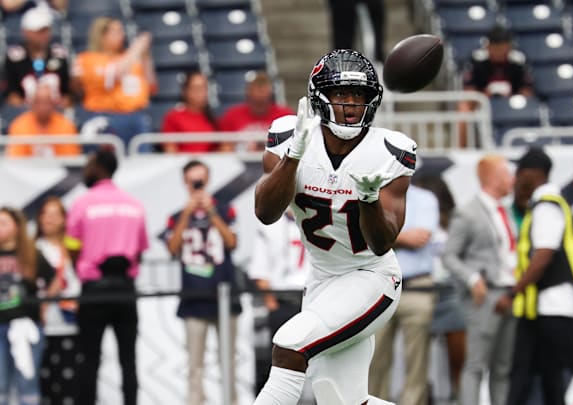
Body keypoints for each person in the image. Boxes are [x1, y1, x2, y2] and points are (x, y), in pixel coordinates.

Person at [253, 49, 416, 405]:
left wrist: (370, 199)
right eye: (341, 93)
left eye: (359, 95)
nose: (350, 104)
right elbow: (265, 212)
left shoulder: (390, 150)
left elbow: (381, 243)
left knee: (289, 344)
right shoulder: (289, 135)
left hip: (372, 277)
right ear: (319, 96)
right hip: (323, 279)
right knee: (339, 399)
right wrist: (293, 156)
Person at [495, 148, 573, 405]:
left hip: (555, 302)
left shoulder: (547, 206)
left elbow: (543, 256)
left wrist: (514, 292)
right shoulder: (546, 203)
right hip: (546, 303)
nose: (517, 176)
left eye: (521, 171)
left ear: (535, 173)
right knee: (545, 370)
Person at [66, 150, 149, 405]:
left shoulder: (82, 203)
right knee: (128, 360)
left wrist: (83, 269)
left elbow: (71, 246)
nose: (86, 169)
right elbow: (139, 251)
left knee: (88, 358)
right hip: (125, 289)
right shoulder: (134, 204)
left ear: (99, 168)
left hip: (93, 290)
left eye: (89, 164)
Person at [163, 159, 241, 405]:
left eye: (201, 181)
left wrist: (211, 213)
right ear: (185, 183)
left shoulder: (225, 209)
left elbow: (232, 243)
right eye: (192, 181)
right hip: (193, 296)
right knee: (194, 364)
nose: (197, 186)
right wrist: (187, 213)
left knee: (227, 361)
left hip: (224, 294)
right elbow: (172, 249)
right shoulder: (176, 216)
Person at [443, 154, 517, 405]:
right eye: (507, 174)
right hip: (485, 296)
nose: (512, 180)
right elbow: (449, 255)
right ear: (494, 178)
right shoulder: (468, 212)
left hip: (509, 293)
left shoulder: (503, 211)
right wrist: (472, 278)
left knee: (503, 366)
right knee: (475, 365)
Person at [368, 183, 439, 404]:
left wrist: (380, 236)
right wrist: (400, 238)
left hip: (416, 287)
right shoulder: (370, 194)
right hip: (377, 288)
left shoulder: (425, 197)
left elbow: (419, 239)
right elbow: (362, 235)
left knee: (417, 362)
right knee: (373, 359)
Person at [248, 208, 311, 396]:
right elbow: (260, 269)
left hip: (312, 300)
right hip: (282, 300)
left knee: (320, 363)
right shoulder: (270, 225)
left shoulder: (320, 220)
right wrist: (271, 304)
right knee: (280, 365)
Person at [415, 174, 466, 402]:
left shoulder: (456, 223)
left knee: (458, 357)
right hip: (422, 288)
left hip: (450, 291)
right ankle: (427, 397)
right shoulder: (412, 221)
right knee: (419, 358)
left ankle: (459, 397)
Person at [71, 17, 156, 149]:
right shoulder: (88, 59)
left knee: (142, 164)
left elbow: (151, 85)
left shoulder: (130, 58)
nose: (122, 35)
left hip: (136, 117)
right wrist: (137, 48)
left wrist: (145, 58)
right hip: (105, 117)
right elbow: (115, 74)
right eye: (116, 32)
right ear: (101, 36)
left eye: (121, 31)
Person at [0, 207, 54, 405]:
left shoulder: (30, 253)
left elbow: (54, 280)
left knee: (27, 382)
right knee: (1, 384)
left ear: (16, 226)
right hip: (0, 325)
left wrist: (44, 306)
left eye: (4, 223)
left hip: (26, 325)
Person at [34, 196, 81, 405]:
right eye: (45, 213)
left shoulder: (73, 246)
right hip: (42, 324)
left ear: (64, 219)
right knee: (45, 383)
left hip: (71, 323)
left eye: (56, 214)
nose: (50, 219)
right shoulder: (33, 248)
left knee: (71, 384)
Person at [4, 5, 71, 108]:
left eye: (45, 30)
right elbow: (12, 95)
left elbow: (66, 94)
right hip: (25, 113)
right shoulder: (14, 57)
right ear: (26, 32)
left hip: (55, 112)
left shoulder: (59, 55)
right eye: (38, 31)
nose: (42, 35)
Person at [218, 71, 294, 151]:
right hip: (241, 161)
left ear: (271, 90)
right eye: (256, 86)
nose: (260, 90)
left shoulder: (285, 116)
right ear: (247, 90)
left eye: (263, 85)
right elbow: (225, 147)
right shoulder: (232, 116)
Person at [6, 81, 80, 158]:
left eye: (46, 102)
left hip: (58, 168)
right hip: (26, 168)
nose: (42, 107)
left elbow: (70, 158)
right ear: (32, 103)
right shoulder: (19, 125)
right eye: (38, 102)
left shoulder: (66, 126)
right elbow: (16, 158)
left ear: (53, 103)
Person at [161, 70, 219, 153]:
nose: (202, 93)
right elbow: (170, 149)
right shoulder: (173, 117)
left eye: (205, 88)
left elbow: (219, 149)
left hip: (208, 163)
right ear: (186, 91)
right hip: (181, 164)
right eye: (198, 88)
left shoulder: (212, 118)